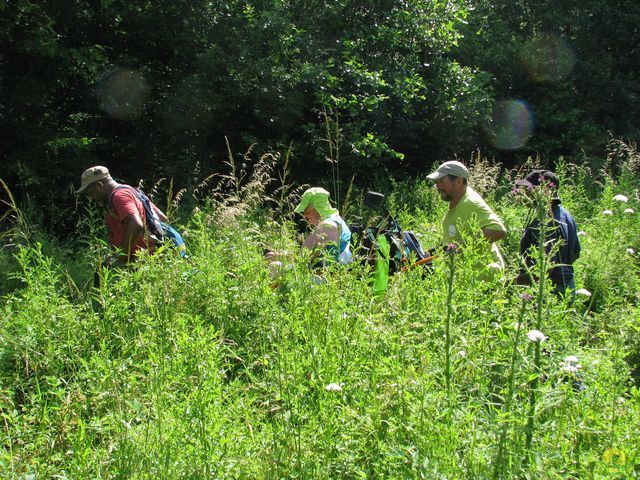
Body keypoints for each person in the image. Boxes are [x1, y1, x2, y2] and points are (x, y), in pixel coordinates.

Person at [76, 165, 175, 265]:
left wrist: (119, 256)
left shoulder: (119, 197)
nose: (92, 198)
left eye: (91, 193)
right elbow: (163, 219)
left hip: (142, 263)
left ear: (99, 185)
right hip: (154, 259)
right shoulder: (132, 191)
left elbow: (136, 225)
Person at [427, 160, 507, 273]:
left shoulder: (470, 202)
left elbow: (498, 230)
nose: (437, 186)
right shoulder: (457, 200)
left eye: (441, 181)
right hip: (465, 276)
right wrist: (439, 249)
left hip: (483, 277)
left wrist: (459, 246)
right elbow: (456, 236)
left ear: (459, 181)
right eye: (436, 181)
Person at [515, 169, 581, 295]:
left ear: (542, 191)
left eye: (529, 189)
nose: (526, 194)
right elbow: (575, 254)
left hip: (548, 292)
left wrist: (511, 283)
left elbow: (545, 269)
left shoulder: (544, 222)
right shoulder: (566, 214)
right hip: (568, 288)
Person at [266, 187, 352, 270]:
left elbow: (303, 257)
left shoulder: (326, 226)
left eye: (307, 210)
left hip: (330, 278)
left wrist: (280, 255)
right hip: (335, 273)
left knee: (275, 266)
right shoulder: (337, 220)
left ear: (318, 208)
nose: (304, 215)